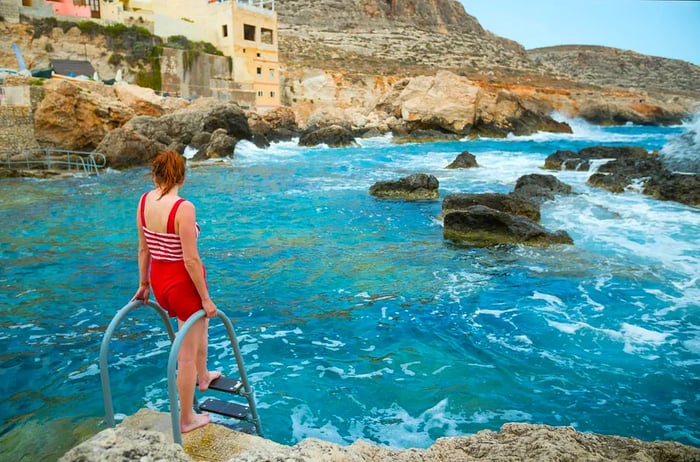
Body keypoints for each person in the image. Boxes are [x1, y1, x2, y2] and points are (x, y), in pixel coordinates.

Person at [131, 149, 221, 433]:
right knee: (185, 354)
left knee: (199, 330)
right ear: (181, 175)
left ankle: (203, 376)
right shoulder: (184, 207)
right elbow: (190, 259)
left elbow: (143, 248)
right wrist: (206, 298)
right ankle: (186, 419)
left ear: (155, 174)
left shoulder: (144, 201)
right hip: (184, 285)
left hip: (160, 280)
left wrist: (144, 285)